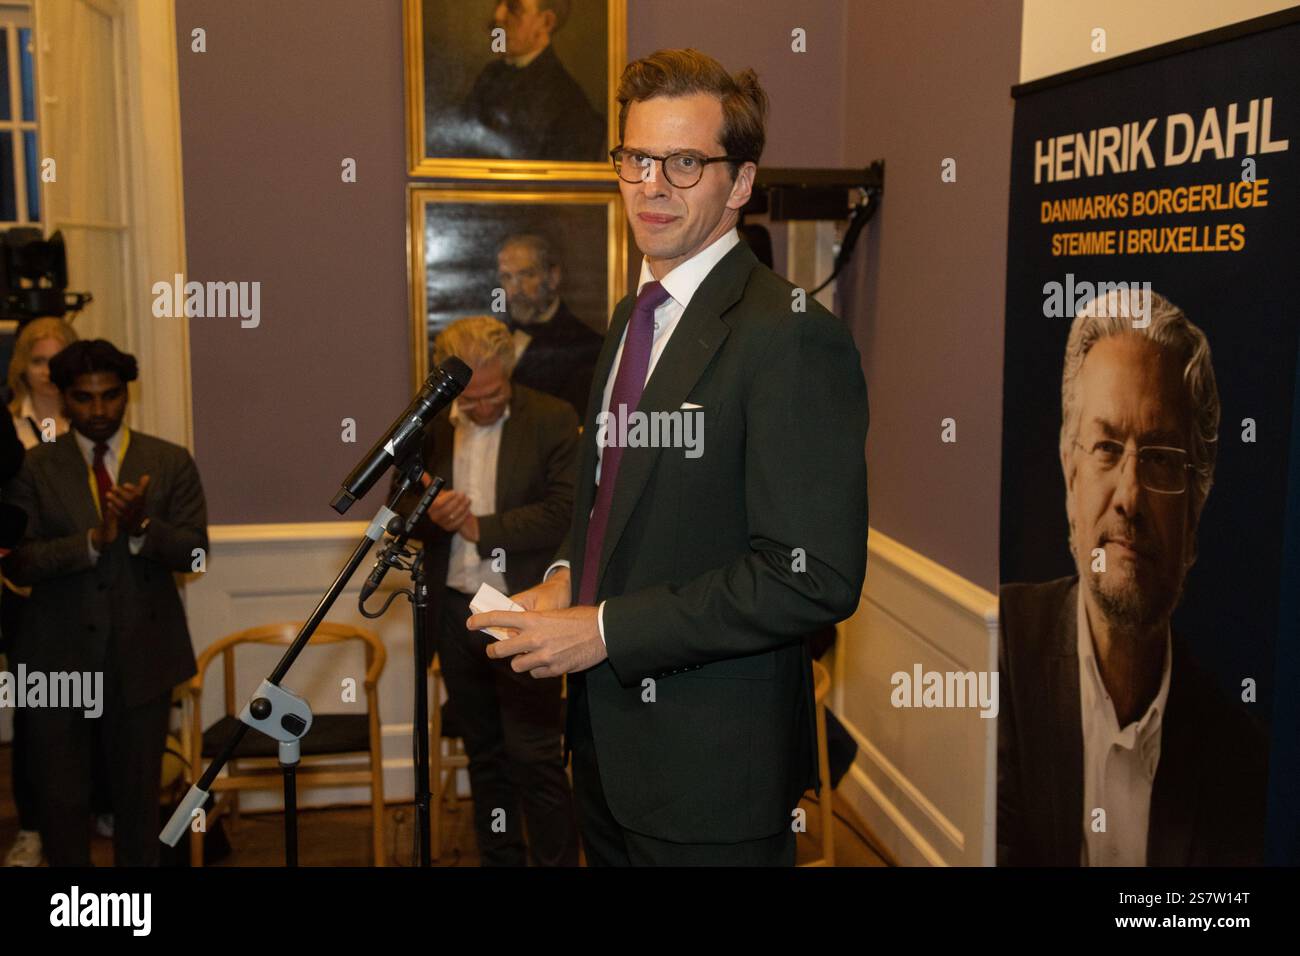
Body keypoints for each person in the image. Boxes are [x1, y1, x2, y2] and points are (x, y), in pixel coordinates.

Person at [468, 48, 869, 865]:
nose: (652, 184)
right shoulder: (633, 315)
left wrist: (607, 630)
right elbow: (617, 504)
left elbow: (812, 575)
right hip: (607, 756)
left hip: (710, 780)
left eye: (685, 162)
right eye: (636, 158)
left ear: (742, 182)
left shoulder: (790, 337)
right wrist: (563, 582)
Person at [997, 290, 1268, 866]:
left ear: (1194, 516)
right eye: (1106, 448)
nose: (1130, 495)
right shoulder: (996, 659)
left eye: (1163, 457)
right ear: (1071, 483)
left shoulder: (1238, 758)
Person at [3, 339, 208, 866]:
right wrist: (93, 540)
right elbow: (17, 563)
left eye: (111, 397)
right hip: (55, 656)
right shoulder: (33, 468)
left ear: (126, 396)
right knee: (62, 803)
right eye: (84, 398)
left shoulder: (167, 461)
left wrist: (142, 526)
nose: (99, 410)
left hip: (143, 657)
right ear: (65, 398)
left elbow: (196, 555)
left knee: (139, 806)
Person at [400, 316, 580, 865]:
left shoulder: (551, 419)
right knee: (484, 755)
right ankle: (501, 859)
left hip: (524, 609)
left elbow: (567, 513)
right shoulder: (429, 427)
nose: (481, 408)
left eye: (494, 393)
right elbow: (397, 511)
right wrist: (432, 514)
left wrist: (481, 527)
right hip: (456, 611)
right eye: (470, 399)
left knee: (536, 757)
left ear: (511, 374)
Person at [1, 317, 77, 866]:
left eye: (58, 359)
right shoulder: (6, 429)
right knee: (34, 714)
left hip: (86, 589)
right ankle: (33, 828)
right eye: (37, 360)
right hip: (24, 595)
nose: (47, 372)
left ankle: (98, 808)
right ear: (20, 368)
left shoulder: (96, 423)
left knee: (97, 709)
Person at [460, 0, 605, 162]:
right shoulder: (490, 74)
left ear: (546, 22)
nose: (498, 16)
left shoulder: (571, 105)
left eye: (514, 8)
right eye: (499, 3)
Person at [496, 232, 603, 415]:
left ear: (553, 277)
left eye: (526, 275)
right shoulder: (496, 334)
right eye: (507, 277)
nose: (514, 289)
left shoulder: (587, 345)